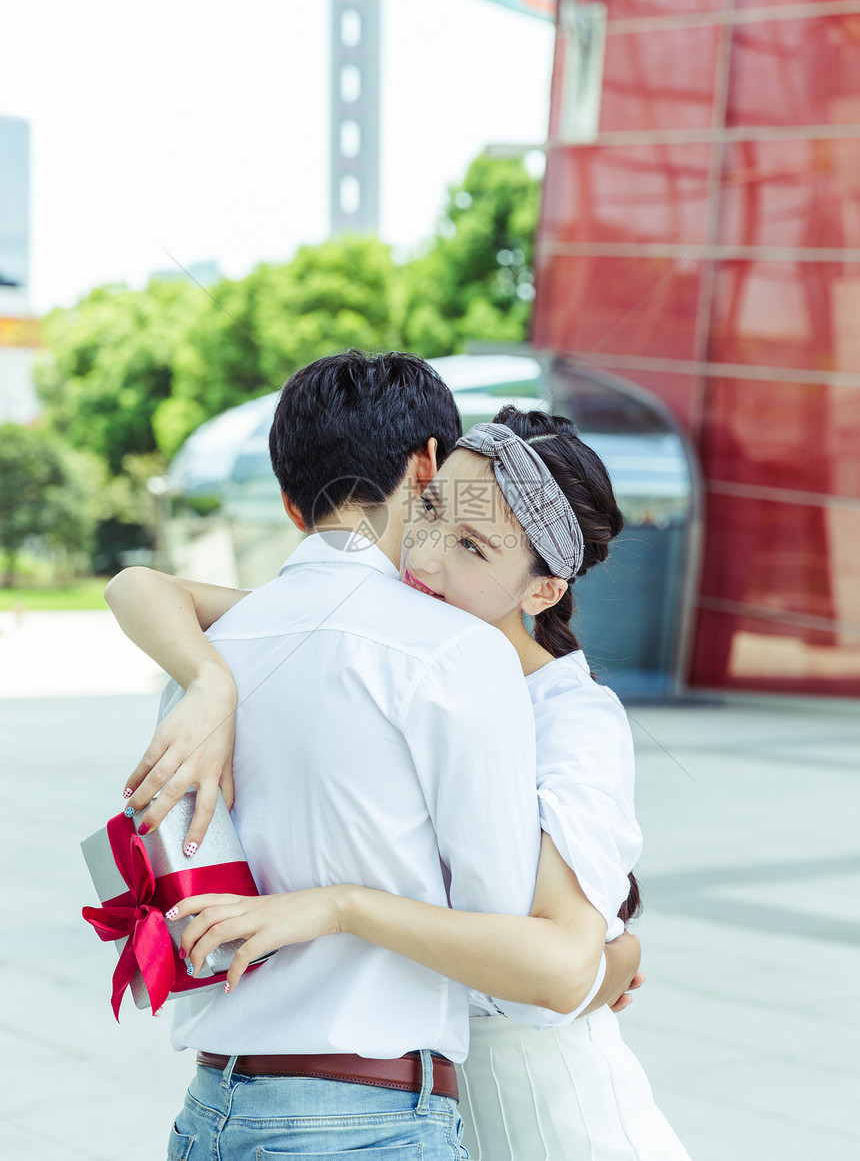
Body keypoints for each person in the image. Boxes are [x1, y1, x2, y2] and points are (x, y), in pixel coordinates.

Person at [108, 377, 689, 1158]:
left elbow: (551, 976)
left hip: (542, 1118)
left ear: (545, 589)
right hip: (406, 1101)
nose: (426, 556)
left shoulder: (566, 715)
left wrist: (606, 964)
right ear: (421, 479)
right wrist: (209, 685)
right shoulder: (404, 637)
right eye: (433, 511)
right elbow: (144, 586)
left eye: (473, 545)